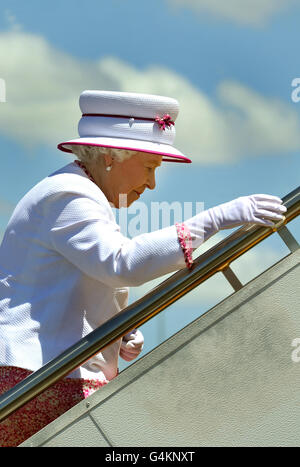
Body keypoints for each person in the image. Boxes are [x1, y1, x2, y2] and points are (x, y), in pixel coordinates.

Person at [0, 90, 287, 446]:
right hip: (42, 384)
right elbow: (121, 264)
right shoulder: (70, 194)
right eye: (150, 166)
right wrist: (214, 220)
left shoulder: (73, 190)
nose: (152, 183)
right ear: (111, 157)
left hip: (45, 380)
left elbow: (68, 285)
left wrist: (114, 331)